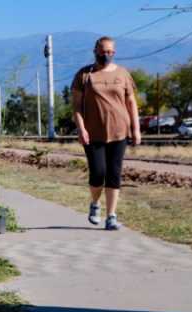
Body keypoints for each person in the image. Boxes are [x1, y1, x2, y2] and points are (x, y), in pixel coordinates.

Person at [71, 36, 141, 231]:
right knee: (98, 172)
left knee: (114, 174)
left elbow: (131, 103)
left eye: (110, 52)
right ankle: (95, 203)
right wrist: (81, 128)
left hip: (120, 131)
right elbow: (76, 106)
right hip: (93, 133)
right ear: (95, 51)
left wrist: (136, 129)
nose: (107, 55)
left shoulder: (123, 74)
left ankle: (111, 216)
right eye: (103, 51)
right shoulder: (84, 75)